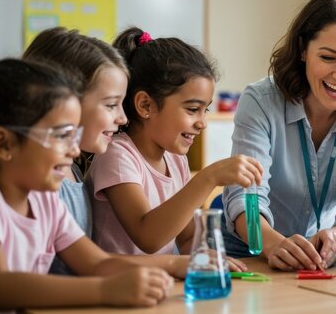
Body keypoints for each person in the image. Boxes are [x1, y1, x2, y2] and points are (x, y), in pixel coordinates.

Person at [23, 27, 245, 275]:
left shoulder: (67, 172)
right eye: (110, 104)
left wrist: (203, 259)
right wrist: (208, 177)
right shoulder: (108, 157)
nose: (121, 117)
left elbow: (95, 263)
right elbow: (143, 238)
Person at [221, 0, 336, 271]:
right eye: (328, 58)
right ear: (303, 49)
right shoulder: (261, 102)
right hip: (249, 250)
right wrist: (273, 244)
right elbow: (245, 198)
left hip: (321, 255)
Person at [0, 59, 173, 312]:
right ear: (4, 144)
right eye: (62, 136)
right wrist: (106, 290)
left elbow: (97, 264)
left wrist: (155, 277)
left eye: (75, 135)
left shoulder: (45, 201)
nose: (74, 150)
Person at [87, 27, 263, 256]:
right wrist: (207, 178)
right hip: (119, 287)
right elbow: (147, 237)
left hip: (162, 283)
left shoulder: (176, 159)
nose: (202, 123)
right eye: (192, 109)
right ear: (145, 106)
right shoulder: (117, 155)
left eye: (205, 110)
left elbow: (188, 237)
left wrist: (210, 261)